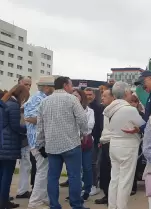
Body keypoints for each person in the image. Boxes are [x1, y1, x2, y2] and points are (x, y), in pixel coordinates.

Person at [36, 76, 90, 209]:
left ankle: (54, 205)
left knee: (53, 177)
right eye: (71, 85)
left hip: (52, 146)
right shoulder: (72, 99)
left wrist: (41, 143)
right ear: (65, 85)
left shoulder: (45, 101)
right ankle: (76, 205)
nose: (72, 88)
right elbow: (82, 118)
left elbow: (40, 125)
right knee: (74, 176)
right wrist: (84, 133)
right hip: (71, 143)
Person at [104, 82, 145, 209]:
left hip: (114, 144)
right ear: (126, 93)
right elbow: (143, 124)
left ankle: (112, 206)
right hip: (127, 145)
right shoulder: (129, 109)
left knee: (115, 179)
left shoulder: (109, 109)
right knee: (125, 181)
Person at [25, 76, 56, 209]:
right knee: (42, 171)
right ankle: (35, 202)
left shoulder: (40, 98)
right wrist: (48, 119)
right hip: (38, 142)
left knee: (45, 170)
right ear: (47, 87)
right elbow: (30, 118)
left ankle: (42, 198)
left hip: (39, 141)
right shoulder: (39, 98)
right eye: (54, 88)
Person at [0, 85, 30, 209]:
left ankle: (3, 200)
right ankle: (4, 202)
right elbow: (15, 126)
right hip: (9, 144)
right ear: (21, 95)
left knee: (1, 174)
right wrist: (28, 129)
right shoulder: (13, 105)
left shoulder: (4, 102)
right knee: (7, 175)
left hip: (3, 142)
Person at [63, 89, 95, 201]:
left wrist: (80, 129)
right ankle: (75, 193)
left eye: (76, 96)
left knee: (86, 167)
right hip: (71, 142)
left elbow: (90, 125)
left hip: (85, 142)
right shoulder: (67, 110)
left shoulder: (89, 111)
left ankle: (87, 189)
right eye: (72, 96)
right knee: (74, 170)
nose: (74, 98)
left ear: (81, 97)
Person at [95, 89, 115, 205]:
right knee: (103, 171)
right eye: (102, 96)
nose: (102, 98)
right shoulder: (104, 109)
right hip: (104, 143)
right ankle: (107, 195)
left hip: (112, 143)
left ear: (113, 97)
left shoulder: (115, 111)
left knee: (110, 171)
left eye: (105, 96)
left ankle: (111, 198)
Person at [16, 76, 33, 200]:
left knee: (26, 165)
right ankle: (22, 191)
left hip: (25, 138)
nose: (28, 87)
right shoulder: (14, 100)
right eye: (26, 84)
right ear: (19, 83)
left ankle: (23, 189)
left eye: (29, 85)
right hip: (18, 136)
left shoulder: (28, 100)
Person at [84, 87, 103, 196]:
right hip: (84, 140)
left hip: (95, 139)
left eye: (90, 94)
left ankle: (94, 185)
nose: (88, 96)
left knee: (93, 163)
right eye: (86, 94)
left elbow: (100, 124)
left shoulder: (98, 108)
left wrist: (99, 138)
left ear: (94, 96)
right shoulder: (81, 107)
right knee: (85, 164)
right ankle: (87, 184)